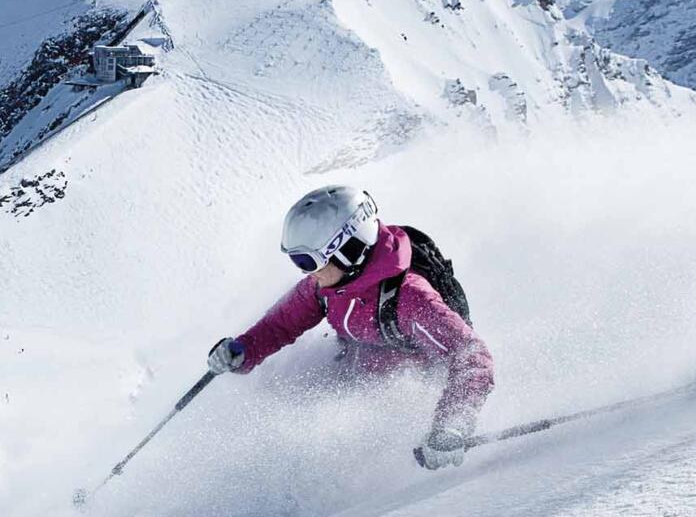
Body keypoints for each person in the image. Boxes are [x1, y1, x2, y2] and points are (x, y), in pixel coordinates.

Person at [205, 185, 494, 470]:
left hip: (402, 400)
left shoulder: (410, 297)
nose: (306, 271)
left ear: (348, 250)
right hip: (352, 374)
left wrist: (452, 425)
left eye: (308, 260)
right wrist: (242, 350)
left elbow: (472, 356)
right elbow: (280, 324)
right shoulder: (326, 287)